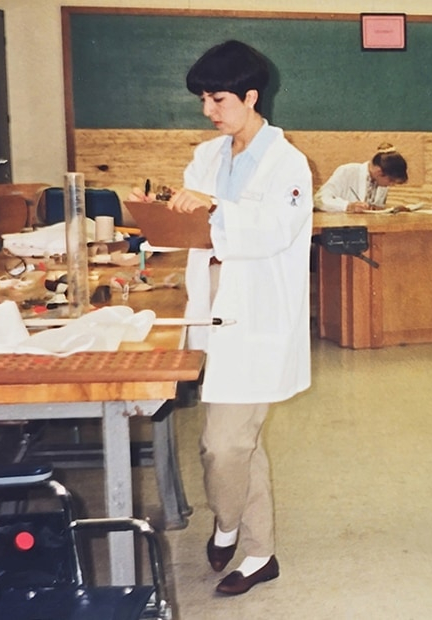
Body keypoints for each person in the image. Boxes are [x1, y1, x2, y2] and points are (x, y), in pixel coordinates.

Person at [130, 40, 312, 597]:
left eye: (218, 99)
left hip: (255, 310)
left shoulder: (289, 163)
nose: (209, 111)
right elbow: (194, 228)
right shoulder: (208, 156)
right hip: (207, 303)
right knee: (241, 441)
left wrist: (212, 211)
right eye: (205, 100)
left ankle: (229, 524)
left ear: (251, 97)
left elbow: (273, 231)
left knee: (224, 444)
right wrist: (164, 213)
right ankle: (261, 552)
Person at [314, 143, 408, 212]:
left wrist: (389, 210)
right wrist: (347, 206)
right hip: (340, 229)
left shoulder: (381, 183)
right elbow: (319, 200)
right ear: (379, 172)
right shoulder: (347, 171)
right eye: (391, 180)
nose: (391, 185)